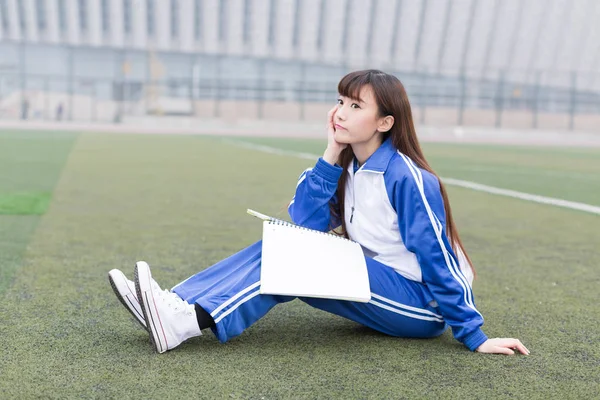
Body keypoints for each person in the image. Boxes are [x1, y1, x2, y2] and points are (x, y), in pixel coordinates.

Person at [108, 70, 529, 356]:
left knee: (296, 259)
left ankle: (183, 321)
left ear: (385, 123)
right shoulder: (346, 166)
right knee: (287, 245)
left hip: (423, 304)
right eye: (340, 101)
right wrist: (331, 153)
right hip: (378, 278)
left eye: (356, 106)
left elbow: (438, 258)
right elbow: (305, 223)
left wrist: (474, 335)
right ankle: (174, 305)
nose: (342, 112)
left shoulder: (407, 177)